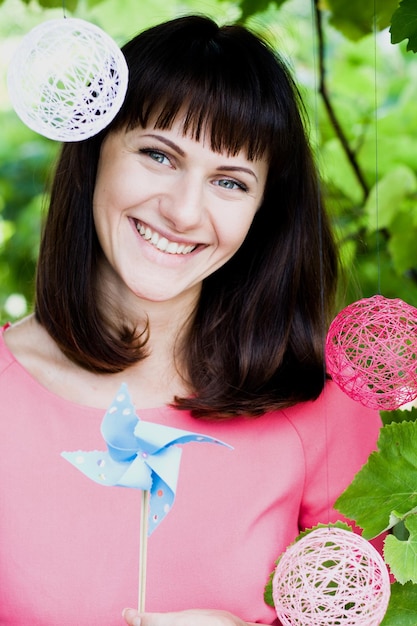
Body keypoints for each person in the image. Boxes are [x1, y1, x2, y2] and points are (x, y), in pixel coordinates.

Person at [0, 14, 381, 626]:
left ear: (262, 212)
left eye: (230, 182)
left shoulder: (321, 404)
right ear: (95, 152)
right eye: (158, 155)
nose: (182, 210)